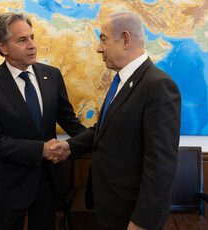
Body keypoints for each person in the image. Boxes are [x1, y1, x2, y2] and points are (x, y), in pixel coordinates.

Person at [51, 12, 181, 230]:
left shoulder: (157, 86)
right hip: (111, 205)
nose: (98, 48)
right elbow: (102, 130)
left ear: (126, 39)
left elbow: (161, 165)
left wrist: (141, 221)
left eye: (103, 39)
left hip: (133, 214)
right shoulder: (122, 80)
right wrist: (68, 146)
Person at [0, 12, 86, 230]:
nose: (32, 45)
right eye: (22, 40)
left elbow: (70, 122)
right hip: (8, 186)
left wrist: (97, 141)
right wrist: (41, 149)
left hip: (47, 181)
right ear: (2, 46)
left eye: (32, 37)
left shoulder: (51, 75)